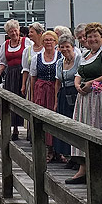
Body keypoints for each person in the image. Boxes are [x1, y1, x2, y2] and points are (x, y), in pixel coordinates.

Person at [68, 22, 102, 184]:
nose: (92, 39)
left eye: (95, 36)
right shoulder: (86, 53)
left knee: (96, 129)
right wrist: (77, 84)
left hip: (98, 97)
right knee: (82, 129)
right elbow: (78, 73)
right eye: (89, 36)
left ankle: (97, 169)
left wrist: (91, 83)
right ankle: (83, 168)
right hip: (83, 98)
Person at [26, 30, 61, 158]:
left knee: (56, 118)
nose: (48, 42)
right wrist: (33, 96)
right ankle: (48, 149)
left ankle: (58, 149)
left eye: (51, 40)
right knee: (43, 118)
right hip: (41, 89)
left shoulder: (60, 56)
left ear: (55, 41)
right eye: (46, 40)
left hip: (55, 89)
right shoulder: (37, 58)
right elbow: (33, 77)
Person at [0, 20, 26, 139]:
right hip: (11, 74)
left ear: (19, 30)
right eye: (11, 31)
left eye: (15, 30)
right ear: (7, 33)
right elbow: (3, 62)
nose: (13, 33)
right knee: (11, 99)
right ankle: (15, 129)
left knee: (24, 99)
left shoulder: (26, 42)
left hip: (23, 73)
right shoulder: (5, 44)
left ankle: (28, 128)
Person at [54, 34, 80, 162]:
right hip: (64, 94)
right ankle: (68, 155)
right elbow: (57, 83)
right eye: (61, 47)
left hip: (75, 93)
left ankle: (77, 158)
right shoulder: (59, 62)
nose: (64, 49)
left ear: (73, 47)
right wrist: (56, 100)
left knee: (74, 124)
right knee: (63, 124)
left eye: (67, 47)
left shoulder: (79, 59)